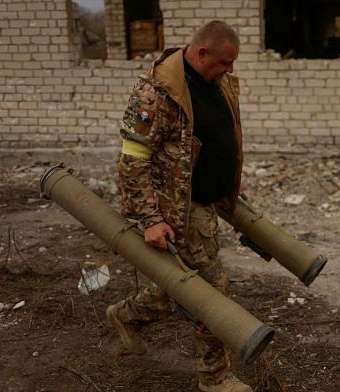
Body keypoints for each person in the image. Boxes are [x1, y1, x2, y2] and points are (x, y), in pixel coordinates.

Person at [106, 20, 251, 392]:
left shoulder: (215, 83)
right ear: (201, 52)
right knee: (211, 291)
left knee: (181, 285)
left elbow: (217, 138)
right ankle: (215, 378)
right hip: (178, 211)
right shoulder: (155, 92)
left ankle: (129, 315)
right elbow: (133, 159)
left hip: (208, 201)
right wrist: (151, 219)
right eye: (224, 62)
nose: (230, 70)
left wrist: (229, 185)